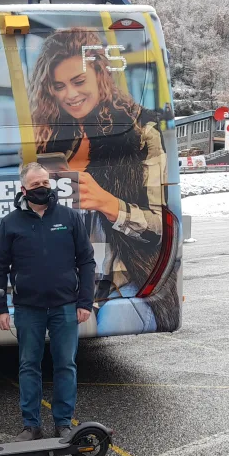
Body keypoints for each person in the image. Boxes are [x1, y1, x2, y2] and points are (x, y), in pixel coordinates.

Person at [28, 28, 179, 333]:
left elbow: (159, 229)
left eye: (79, 81)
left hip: (125, 281)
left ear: (100, 73)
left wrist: (107, 203)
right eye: (59, 86)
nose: (70, 94)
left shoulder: (141, 132)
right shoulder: (53, 138)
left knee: (101, 324)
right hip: (64, 280)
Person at [0, 162, 96, 441]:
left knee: (65, 365)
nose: (42, 188)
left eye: (45, 183)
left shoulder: (70, 218)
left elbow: (86, 261)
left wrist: (85, 302)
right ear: (23, 189)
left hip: (65, 307)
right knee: (28, 366)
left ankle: (63, 422)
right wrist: (0, 308)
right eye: (35, 185)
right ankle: (31, 425)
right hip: (28, 309)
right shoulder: (10, 223)